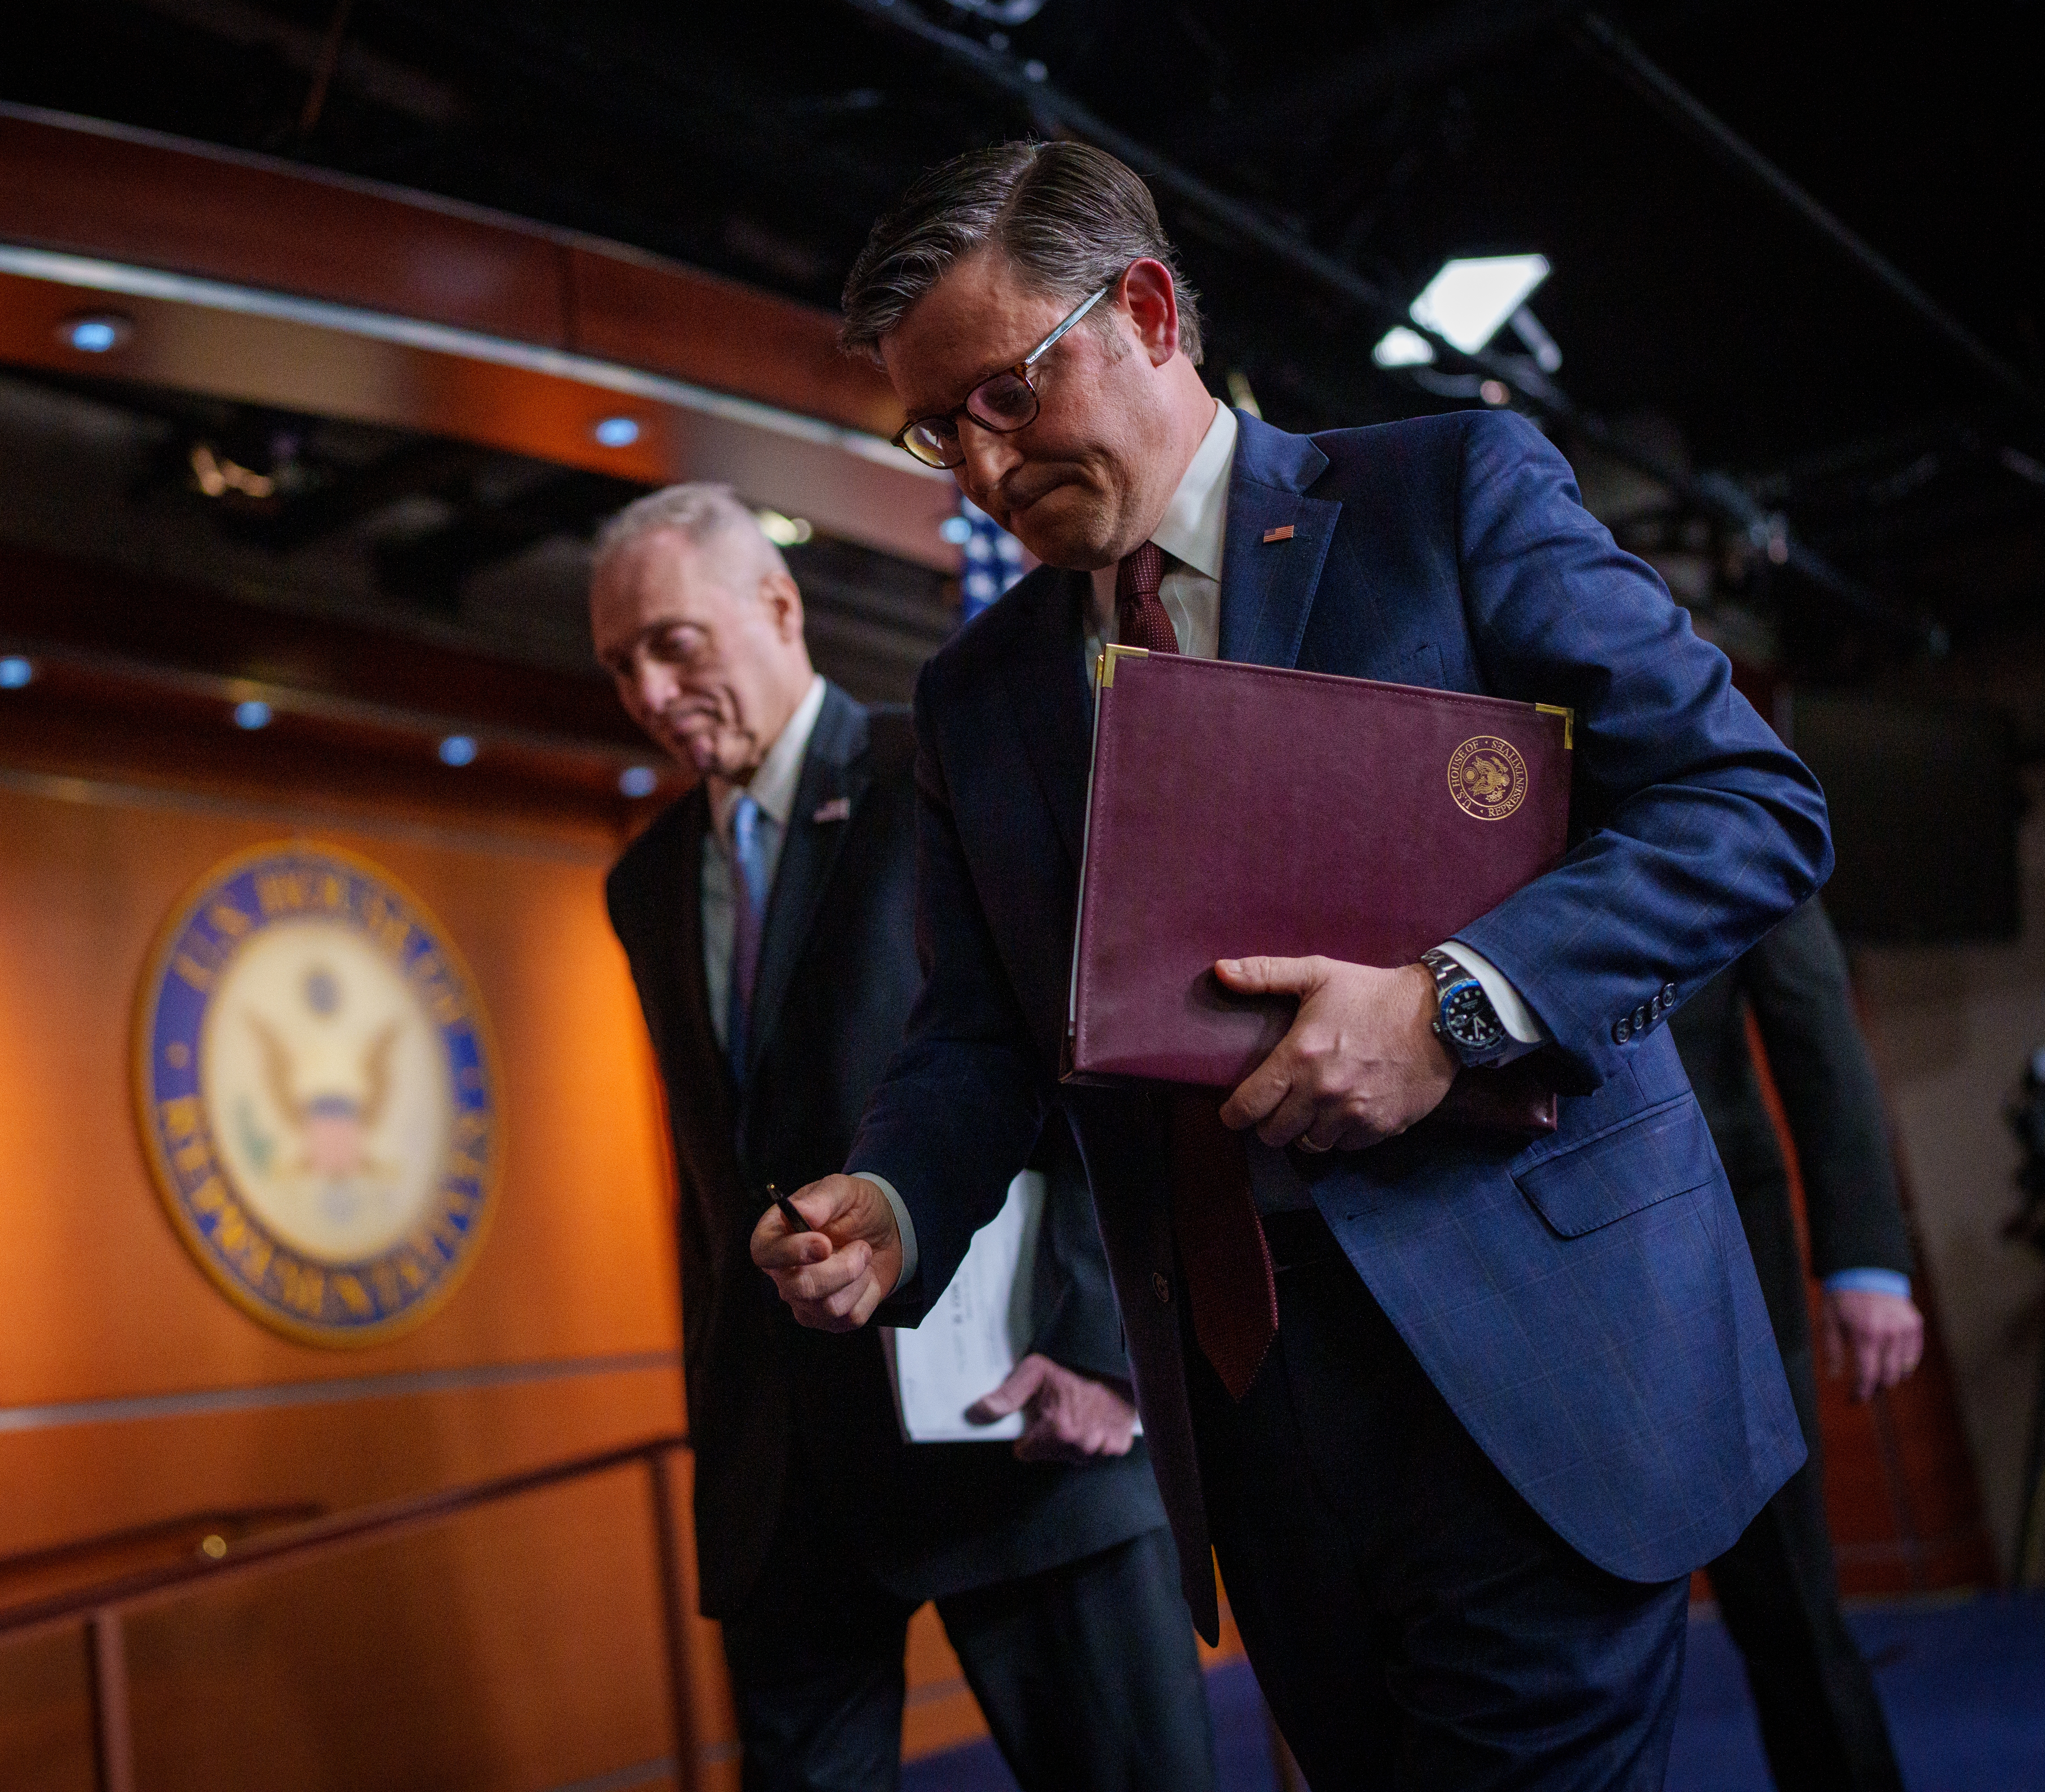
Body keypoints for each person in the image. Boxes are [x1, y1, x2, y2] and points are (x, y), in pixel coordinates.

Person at [751, 142, 1834, 1790]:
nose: (975, 467)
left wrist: (1452, 1008)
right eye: (931, 429)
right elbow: (978, 1037)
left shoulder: (1449, 494)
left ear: (1152, 310)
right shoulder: (978, 702)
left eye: (1004, 395)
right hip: (1252, 1430)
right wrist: (895, 1206)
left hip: (1528, 1375)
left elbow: (1745, 808)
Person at [592, 484, 1218, 1792]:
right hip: (783, 1479)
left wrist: (1103, 1350)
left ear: (776, 604)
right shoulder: (642, 882)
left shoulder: (941, 767)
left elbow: (1110, 1068)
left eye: (674, 643)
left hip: (1022, 1436)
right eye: (619, 664)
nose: (649, 690)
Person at [1670, 894, 1925, 1792]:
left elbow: (1808, 1001)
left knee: (1790, 1607)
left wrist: (1864, 1260)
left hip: (1716, 1239)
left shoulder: (1694, 762)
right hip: (1496, 1261)